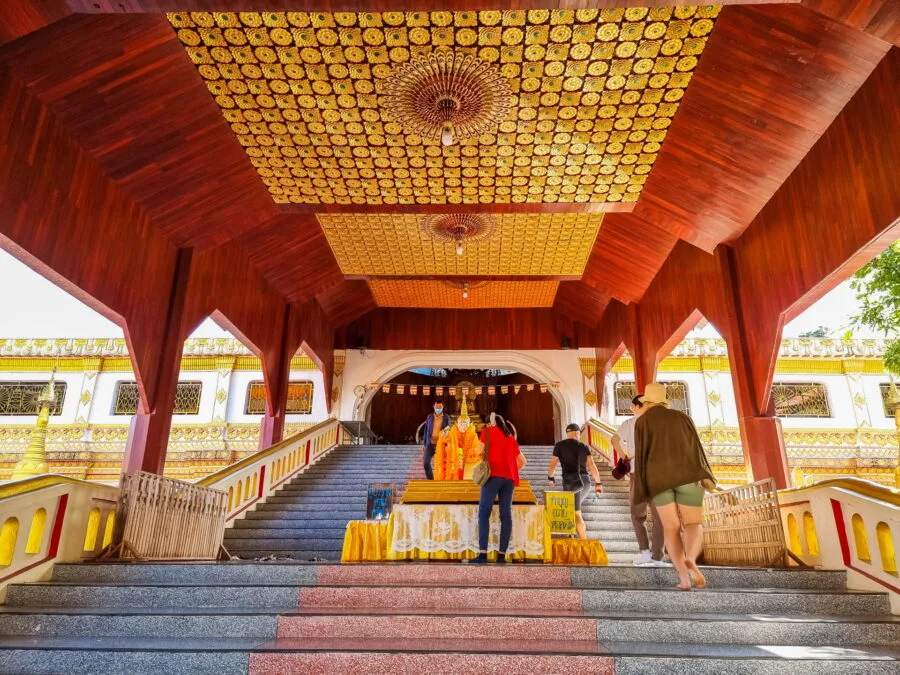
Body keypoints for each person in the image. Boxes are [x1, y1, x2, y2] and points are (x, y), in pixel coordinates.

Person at [633, 382, 716, 590]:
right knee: (693, 524)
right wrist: (706, 474)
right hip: (688, 474)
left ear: (647, 402)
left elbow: (641, 456)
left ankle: (684, 578)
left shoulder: (642, 422)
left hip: (658, 479)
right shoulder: (683, 418)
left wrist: (642, 488)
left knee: (670, 528)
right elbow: (696, 448)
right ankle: (691, 558)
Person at [612, 395, 667, 567]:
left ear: (635, 407)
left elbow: (614, 440)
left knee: (637, 515)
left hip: (637, 473)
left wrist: (624, 456)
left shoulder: (629, 423)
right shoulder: (658, 422)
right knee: (660, 516)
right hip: (657, 473)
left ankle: (645, 551)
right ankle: (657, 556)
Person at [470, 413, 527, 564]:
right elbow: (522, 461)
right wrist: (510, 470)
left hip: (492, 477)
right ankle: (501, 555)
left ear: (490, 422)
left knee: (484, 512)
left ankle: (483, 554)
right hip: (509, 480)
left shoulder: (487, 432)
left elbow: (478, 451)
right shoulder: (510, 437)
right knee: (506, 515)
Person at [547, 423, 603, 540]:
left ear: (567, 433)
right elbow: (592, 465)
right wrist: (598, 483)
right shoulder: (583, 446)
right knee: (572, 510)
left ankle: (584, 542)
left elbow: (552, 465)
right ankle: (573, 537)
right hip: (585, 481)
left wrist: (551, 478)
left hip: (571, 482)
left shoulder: (559, 446)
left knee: (576, 512)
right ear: (578, 433)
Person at [421, 400, 451, 480]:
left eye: (440, 407)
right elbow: (426, 430)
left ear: (443, 407)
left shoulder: (446, 418)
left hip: (441, 444)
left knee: (442, 464)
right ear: (434, 407)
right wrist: (424, 444)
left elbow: (449, 430)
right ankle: (431, 480)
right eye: (437, 407)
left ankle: (442, 480)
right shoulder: (429, 417)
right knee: (426, 462)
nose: (438, 408)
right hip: (430, 444)